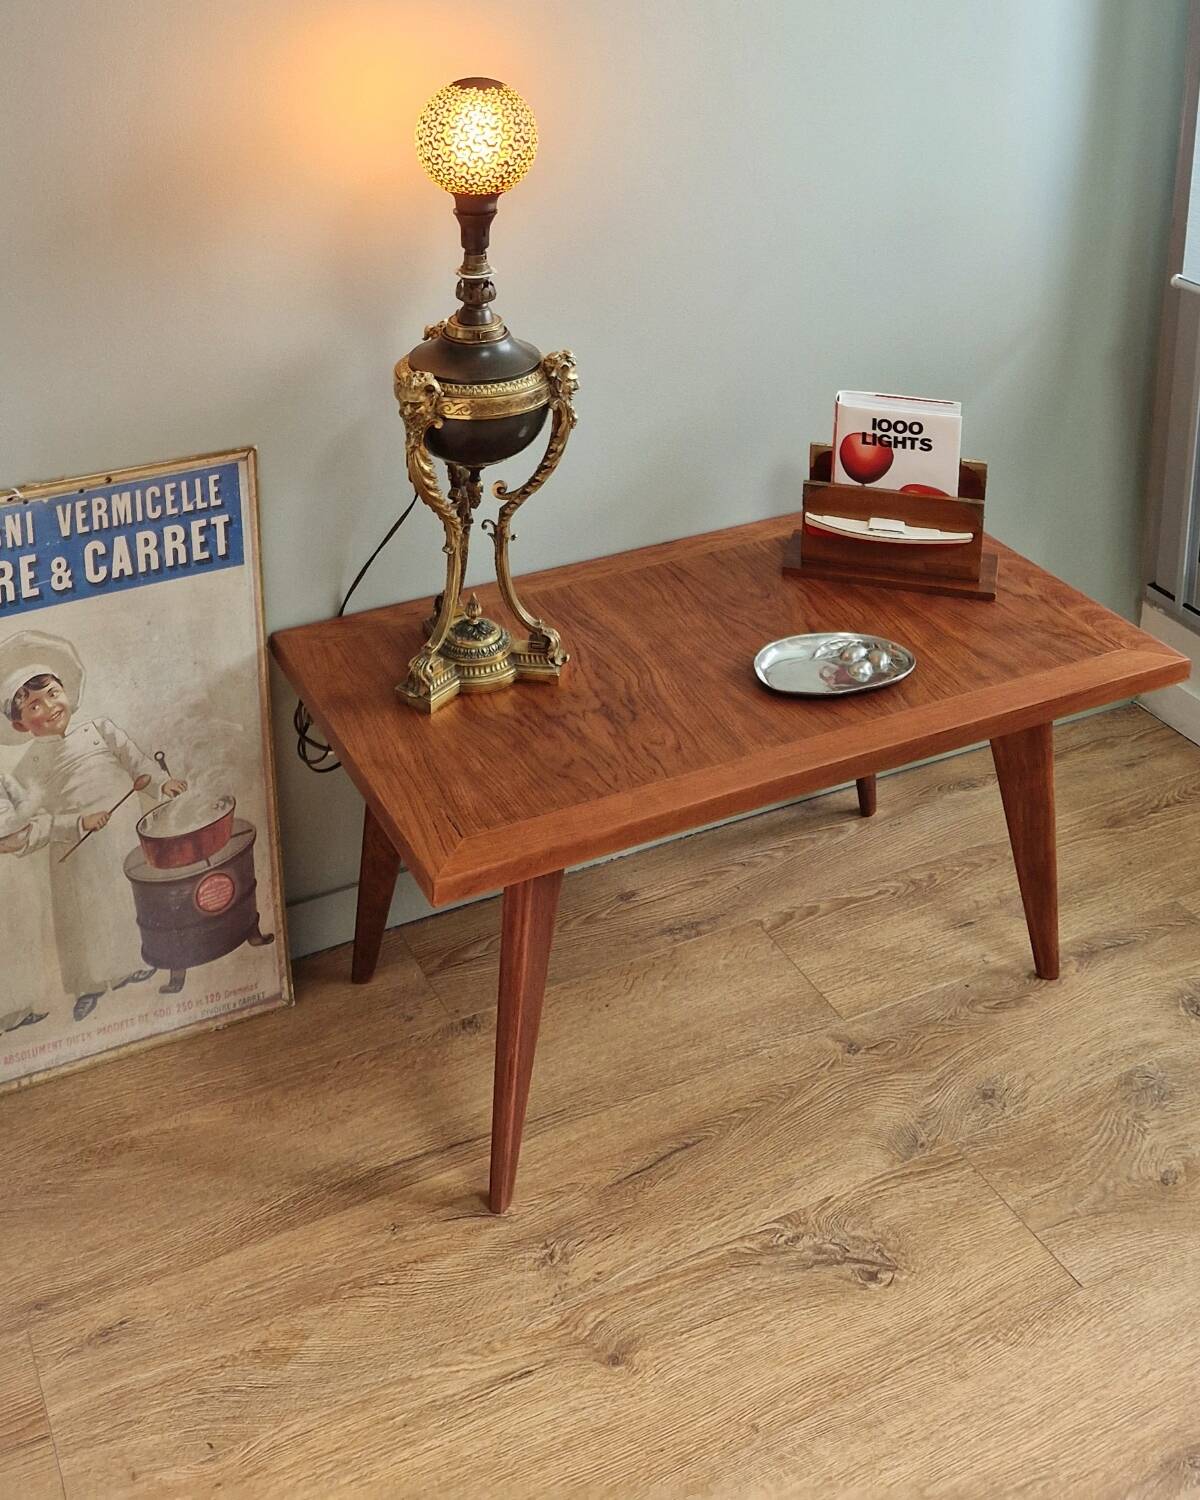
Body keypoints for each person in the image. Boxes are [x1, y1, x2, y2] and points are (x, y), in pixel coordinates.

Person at [0, 630, 188, 1022]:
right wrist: (76, 823)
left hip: (123, 836)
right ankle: (87, 987)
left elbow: (137, 763)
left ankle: (136, 963)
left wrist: (161, 782)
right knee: (82, 917)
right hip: (76, 850)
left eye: (52, 693)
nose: (49, 707)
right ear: (20, 725)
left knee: (127, 899)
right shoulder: (29, 765)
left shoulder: (100, 729)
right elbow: (29, 818)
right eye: (34, 705)